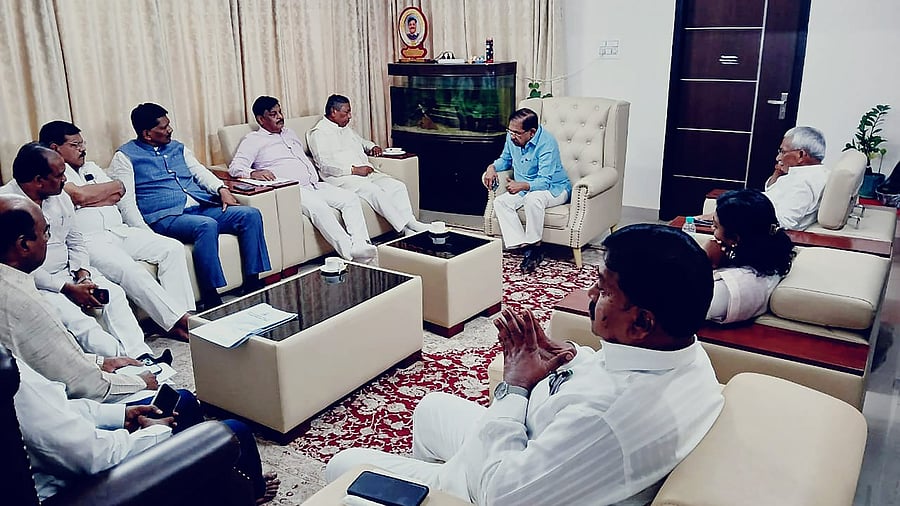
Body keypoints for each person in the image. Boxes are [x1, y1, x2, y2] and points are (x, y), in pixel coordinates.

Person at [326, 224, 724, 505]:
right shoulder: (685, 355)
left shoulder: (607, 418)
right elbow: (607, 378)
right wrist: (571, 356)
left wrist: (514, 386)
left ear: (642, 322)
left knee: (341, 466)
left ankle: (441, 492)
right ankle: (427, 485)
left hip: (495, 480)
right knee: (430, 406)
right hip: (532, 441)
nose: (588, 292)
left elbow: (501, 494)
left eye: (602, 289)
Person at [12, 354, 280, 503]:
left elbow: (59, 407)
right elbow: (93, 458)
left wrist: (120, 415)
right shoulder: (12, 383)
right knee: (232, 433)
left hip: (75, 452)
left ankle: (208, 484)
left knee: (182, 400)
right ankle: (247, 494)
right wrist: (152, 432)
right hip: (76, 491)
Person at [40, 121, 194, 342]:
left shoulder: (91, 167)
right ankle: (179, 323)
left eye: (83, 143)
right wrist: (91, 196)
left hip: (120, 230)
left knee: (172, 248)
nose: (82, 148)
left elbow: (118, 190)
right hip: (91, 241)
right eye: (75, 145)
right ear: (55, 148)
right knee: (130, 270)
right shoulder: (54, 176)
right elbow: (79, 196)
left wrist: (88, 197)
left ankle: (183, 316)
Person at [109, 103, 271, 310]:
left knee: (250, 215)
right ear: (147, 133)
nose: (170, 130)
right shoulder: (124, 157)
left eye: (169, 125)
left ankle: (252, 282)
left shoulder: (178, 147)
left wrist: (221, 189)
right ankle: (210, 295)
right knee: (206, 225)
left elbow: (200, 173)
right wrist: (144, 233)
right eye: (164, 127)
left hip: (200, 205)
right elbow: (126, 200)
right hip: (165, 217)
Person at [1, 143, 155, 360]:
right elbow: (12, 266)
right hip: (36, 283)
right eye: (60, 175)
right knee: (78, 321)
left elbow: (75, 239)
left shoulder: (60, 195)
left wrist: (82, 274)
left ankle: (142, 355)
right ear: (38, 180)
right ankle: (124, 363)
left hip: (71, 271)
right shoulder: (6, 206)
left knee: (115, 295)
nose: (66, 180)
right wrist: (66, 288)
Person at [0, 193, 156, 401]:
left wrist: (100, 362)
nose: (48, 239)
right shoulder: (26, 305)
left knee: (114, 296)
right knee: (181, 400)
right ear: (24, 245)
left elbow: (55, 359)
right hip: (60, 411)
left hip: (69, 275)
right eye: (45, 233)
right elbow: (83, 384)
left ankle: (137, 356)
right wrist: (141, 383)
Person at [228, 95, 377, 262]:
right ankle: (350, 254)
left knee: (350, 199)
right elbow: (235, 168)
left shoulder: (290, 133)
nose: (280, 117)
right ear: (261, 119)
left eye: (280, 112)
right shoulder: (253, 140)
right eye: (273, 114)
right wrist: (253, 173)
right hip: (293, 190)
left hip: (315, 184)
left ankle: (360, 244)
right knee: (320, 209)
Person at [307, 94, 428, 236]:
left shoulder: (343, 128)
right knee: (374, 191)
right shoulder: (319, 133)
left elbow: (361, 141)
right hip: (342, 179)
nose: (350, 116)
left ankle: (410, 224)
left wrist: (372, 146)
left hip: (365, 173)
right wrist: (354, 170)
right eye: (346, 112)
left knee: (397, 186)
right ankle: (405, 228)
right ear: (334, 112)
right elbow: (325, 166)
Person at [482, 108, 572, 273]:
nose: (512, 136)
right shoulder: (513, 139)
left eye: (517, 133)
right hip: (525, 187)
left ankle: (535, 247)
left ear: (532, 132)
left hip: (555, 188)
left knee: (534, 199)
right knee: (500, 202)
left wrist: (521, 185)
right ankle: (523, 245)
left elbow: (545, 182)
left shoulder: (547, 143)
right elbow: (506, 159)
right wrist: (491, 167)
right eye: (510, 131)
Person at [704, 189, 794, 324]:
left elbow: (677, 308)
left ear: (735, 238)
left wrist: (702, 261)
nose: (712, 230)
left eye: (716, 226)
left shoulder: (724, 290)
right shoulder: (771, 261)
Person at [763, 126, 829, 230]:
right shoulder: (814, 172)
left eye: (782, 152)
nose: (778, 158)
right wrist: (777, 173)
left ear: (801, 154)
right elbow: (771, 191)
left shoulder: (803, 183)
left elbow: (784, 222)